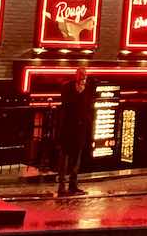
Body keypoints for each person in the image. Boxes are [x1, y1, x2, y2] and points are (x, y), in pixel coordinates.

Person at [56, 67, 93, 196]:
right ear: (76, 75)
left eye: (84, 74)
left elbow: (88, 108)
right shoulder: (67, 87)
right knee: (64, 158)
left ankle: (73, 185)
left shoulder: (88, 89)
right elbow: (65, 106)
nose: (83, 77)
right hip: (67, 128)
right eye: (81, 74)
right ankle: (61, 185)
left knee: (76, 158)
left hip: (80, 130)